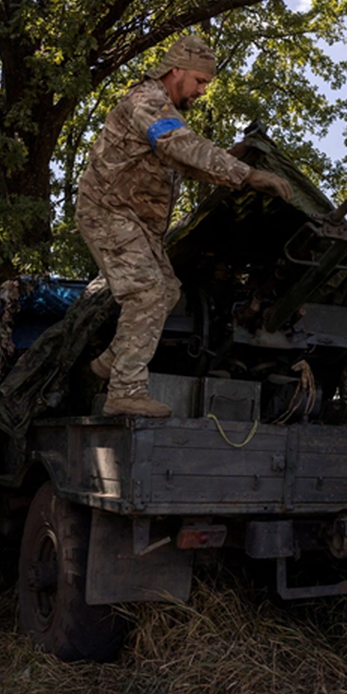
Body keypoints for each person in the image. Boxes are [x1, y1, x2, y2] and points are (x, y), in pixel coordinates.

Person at [76, 34, 293, 417]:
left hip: (133, 221)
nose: (202, 91)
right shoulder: (147, 102)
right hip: (107, 212)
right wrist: (248, 175)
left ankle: (111, 362)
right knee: (145, 292)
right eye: (199, 81)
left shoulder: (165, 113)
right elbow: (180, 145)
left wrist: (229, 160)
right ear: (175, 70)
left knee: (168, 292)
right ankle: (124, 390)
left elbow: (187, 161)